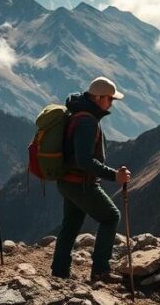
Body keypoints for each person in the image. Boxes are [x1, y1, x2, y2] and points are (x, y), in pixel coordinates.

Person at [50, 76, 133, 283]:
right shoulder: (87, 121)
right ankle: (100, 270)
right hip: (81, 183)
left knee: (70, 224)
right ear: (98, 97)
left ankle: (59, 272)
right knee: (111, 217)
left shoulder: (78, 113)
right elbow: (85, 161)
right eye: (110, 99)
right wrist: (115, 176)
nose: (112, 103)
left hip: (67, 181)